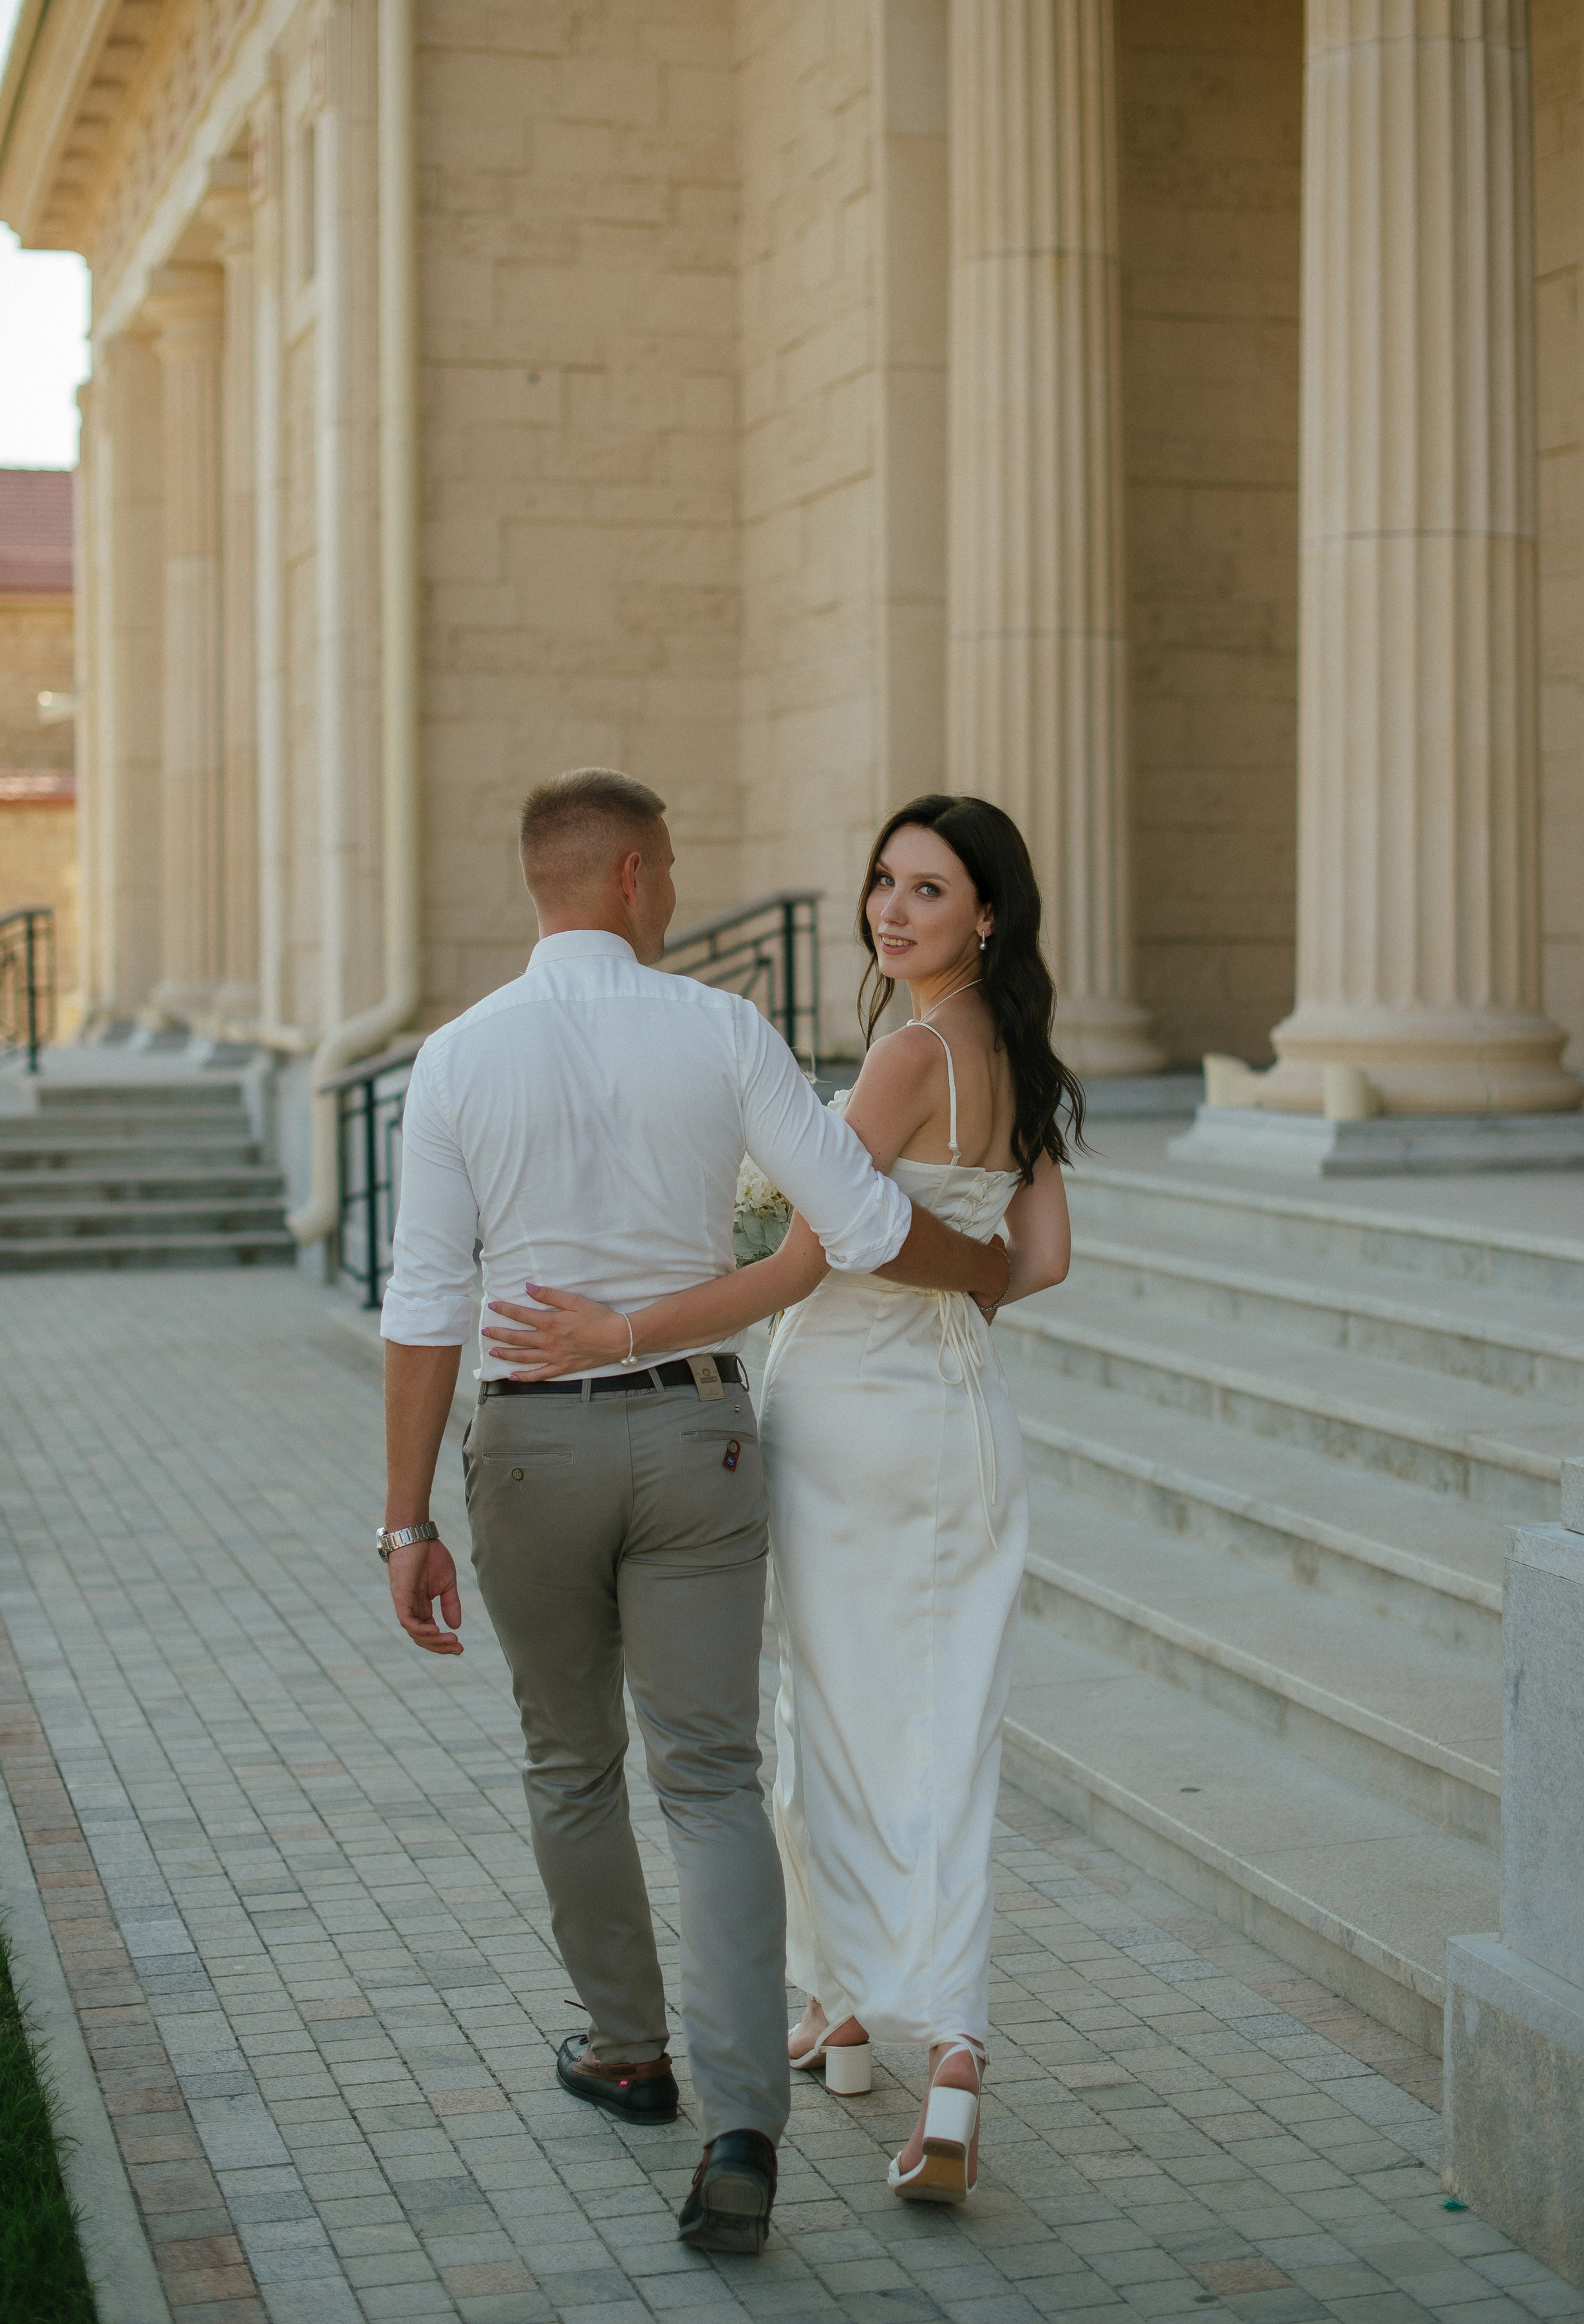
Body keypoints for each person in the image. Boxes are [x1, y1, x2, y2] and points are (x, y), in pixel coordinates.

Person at [378, 769, 1011, 2259]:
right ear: (627, 878)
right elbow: (862, 1219)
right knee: (713, 1779)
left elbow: (425, 1301)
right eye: (664, 868)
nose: (672, 889)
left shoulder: (455, 1058)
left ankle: (626, 2055)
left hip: (529, 1446)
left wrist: (404, 1523)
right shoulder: (721, 1029)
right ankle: (742, 2128)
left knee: (568, 1762)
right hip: (698, 1439)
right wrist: (985, 1271)